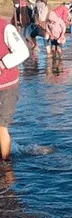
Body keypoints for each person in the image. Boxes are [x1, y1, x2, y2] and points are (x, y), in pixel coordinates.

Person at [0, 18, 30, 160]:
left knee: (1, 126)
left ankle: (6, 166)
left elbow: (23, 52)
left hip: (6, 86)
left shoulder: (5, 27)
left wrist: (2, 63)